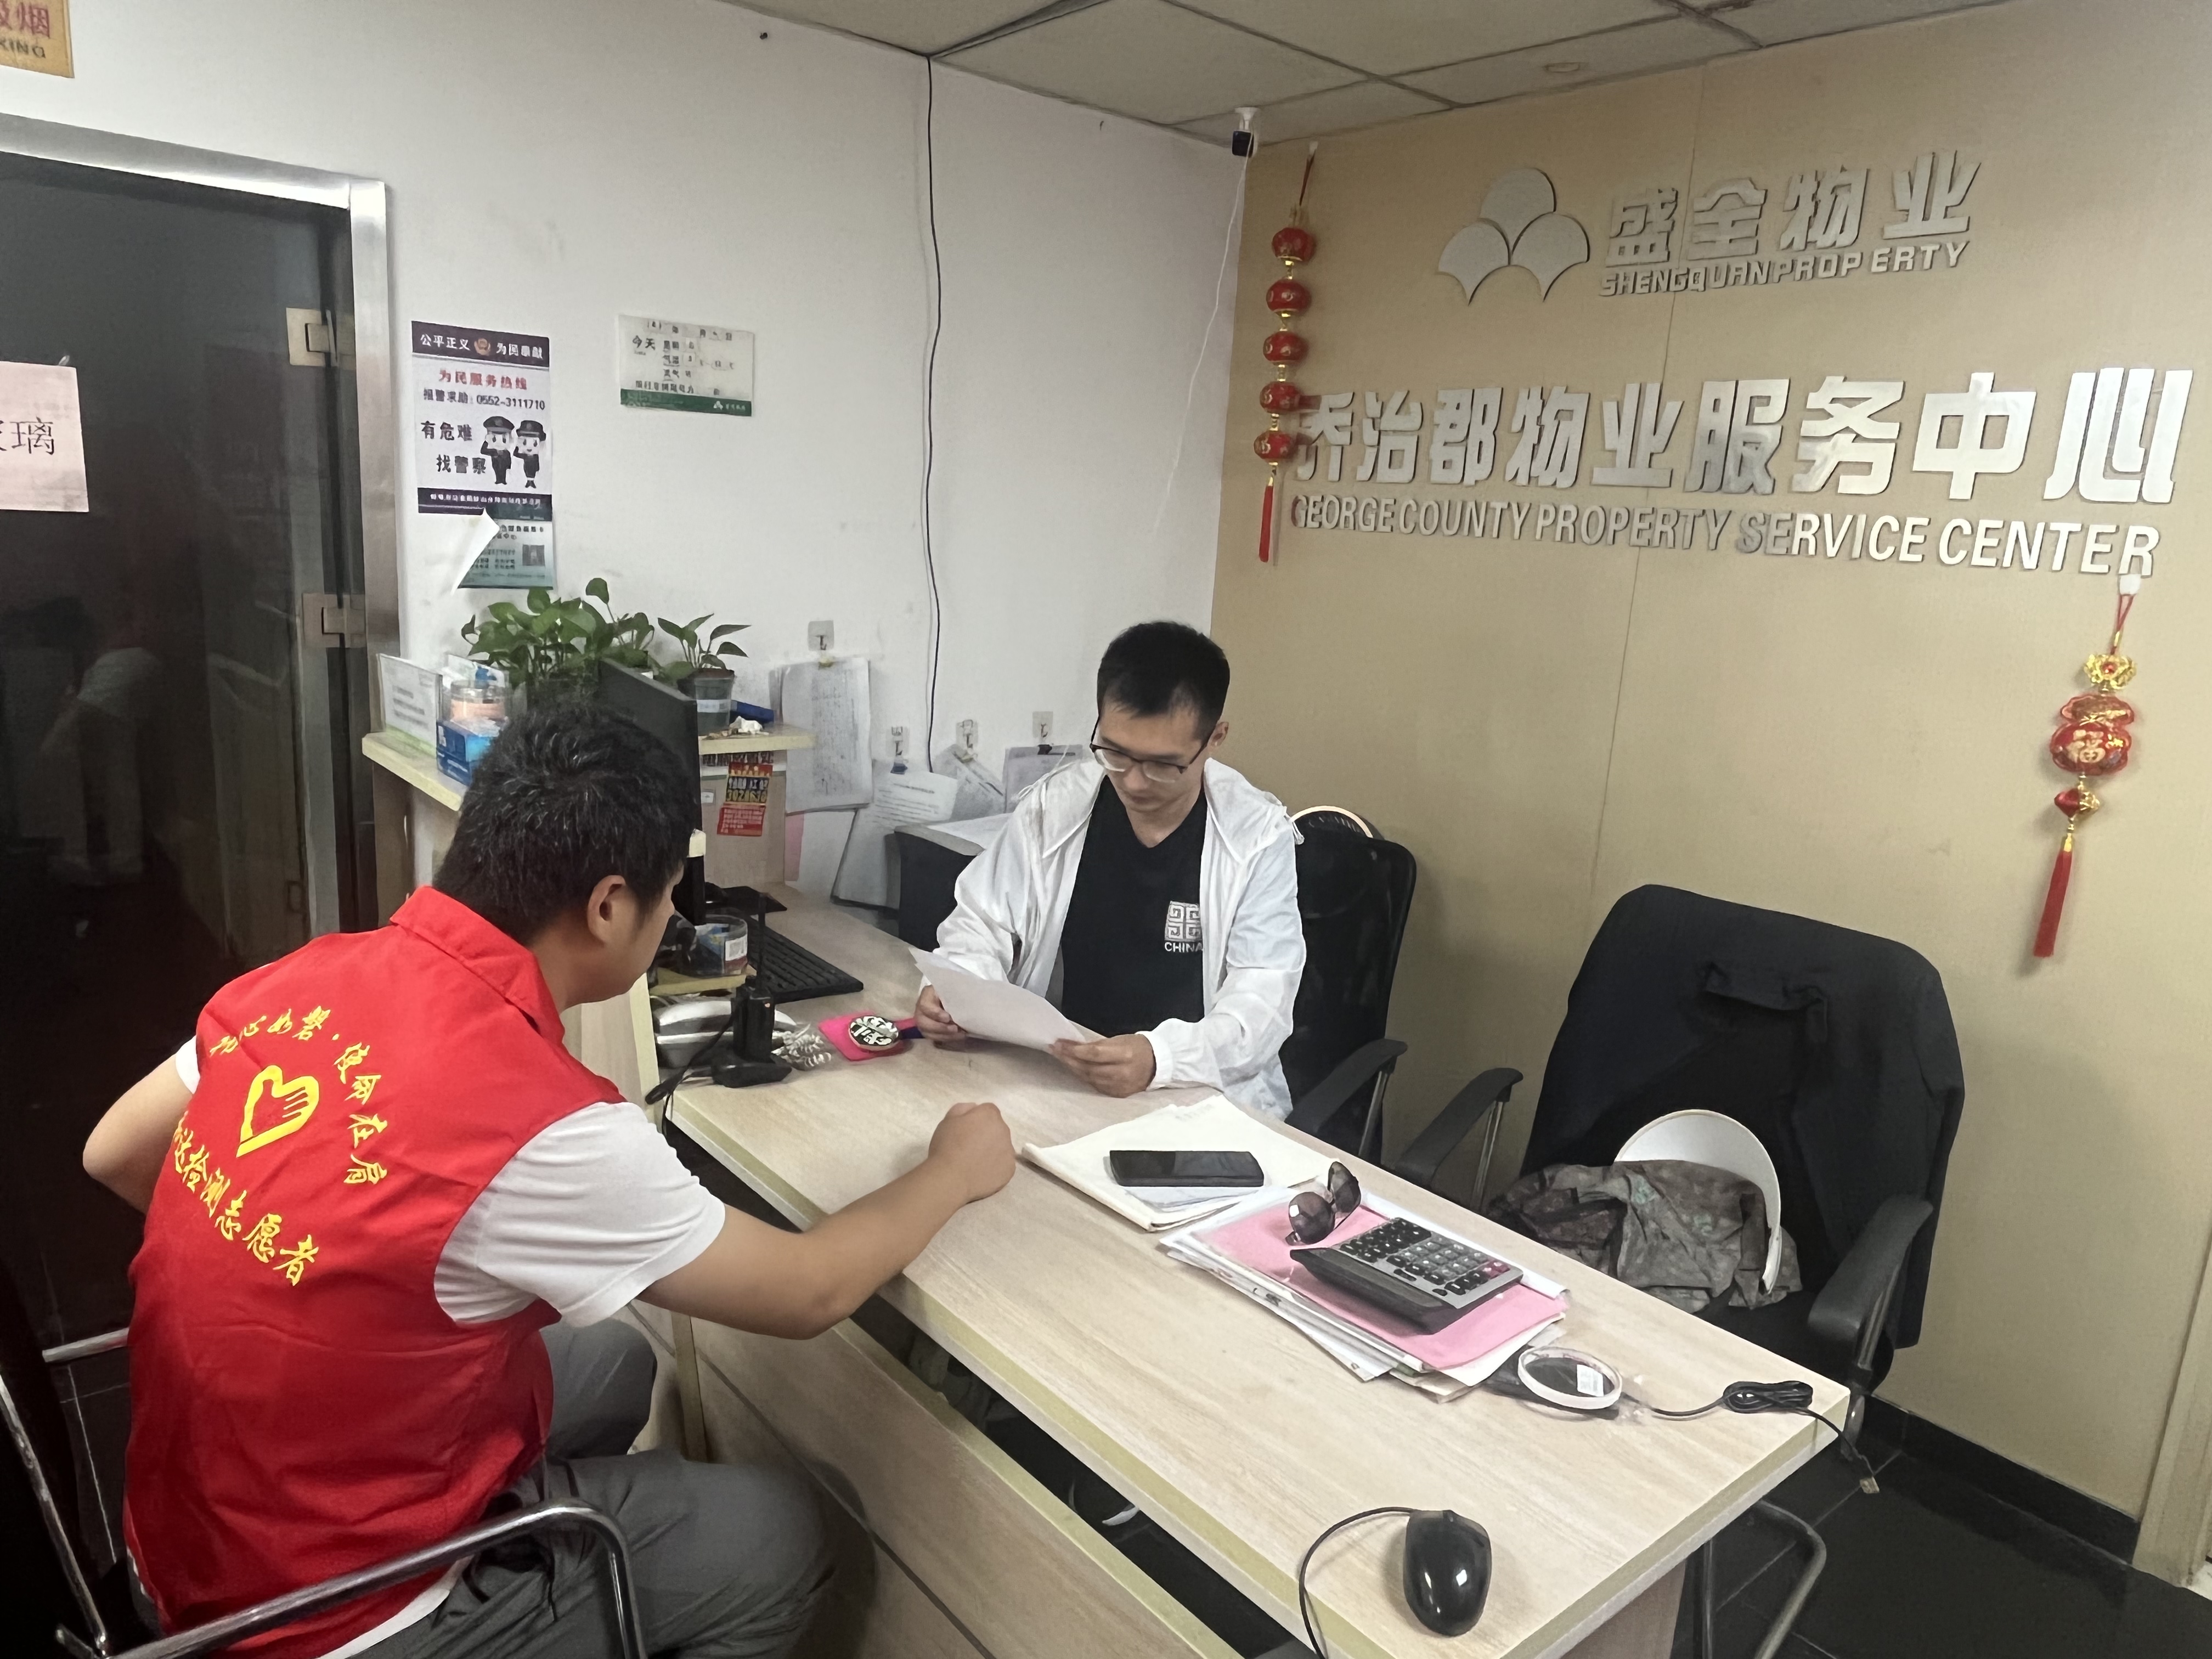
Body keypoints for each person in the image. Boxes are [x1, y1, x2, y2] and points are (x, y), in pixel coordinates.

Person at [83, 702, 1017, 1659]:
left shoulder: (307, 974)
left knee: (614, 1360)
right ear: (609, 906)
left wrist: (310, 1268)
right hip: (323, 1619)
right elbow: (807, 1290)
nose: (671, 919)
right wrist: (951, 1171)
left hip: (182, 1541)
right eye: (670, 896)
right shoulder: (537, 1118)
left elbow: (113, 1151)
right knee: (775, 1532)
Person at [916, 620, 1305, 1118]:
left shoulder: (1257, 836)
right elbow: (982, 922)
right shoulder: (1056, 807)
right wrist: (958, 991)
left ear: (1216, 738)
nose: (1135, 783)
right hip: (1066, 1077)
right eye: (1116, 753)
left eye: (1163, 765)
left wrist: (1161, 1059)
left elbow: (1263, 1000)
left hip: (1197, 1097)